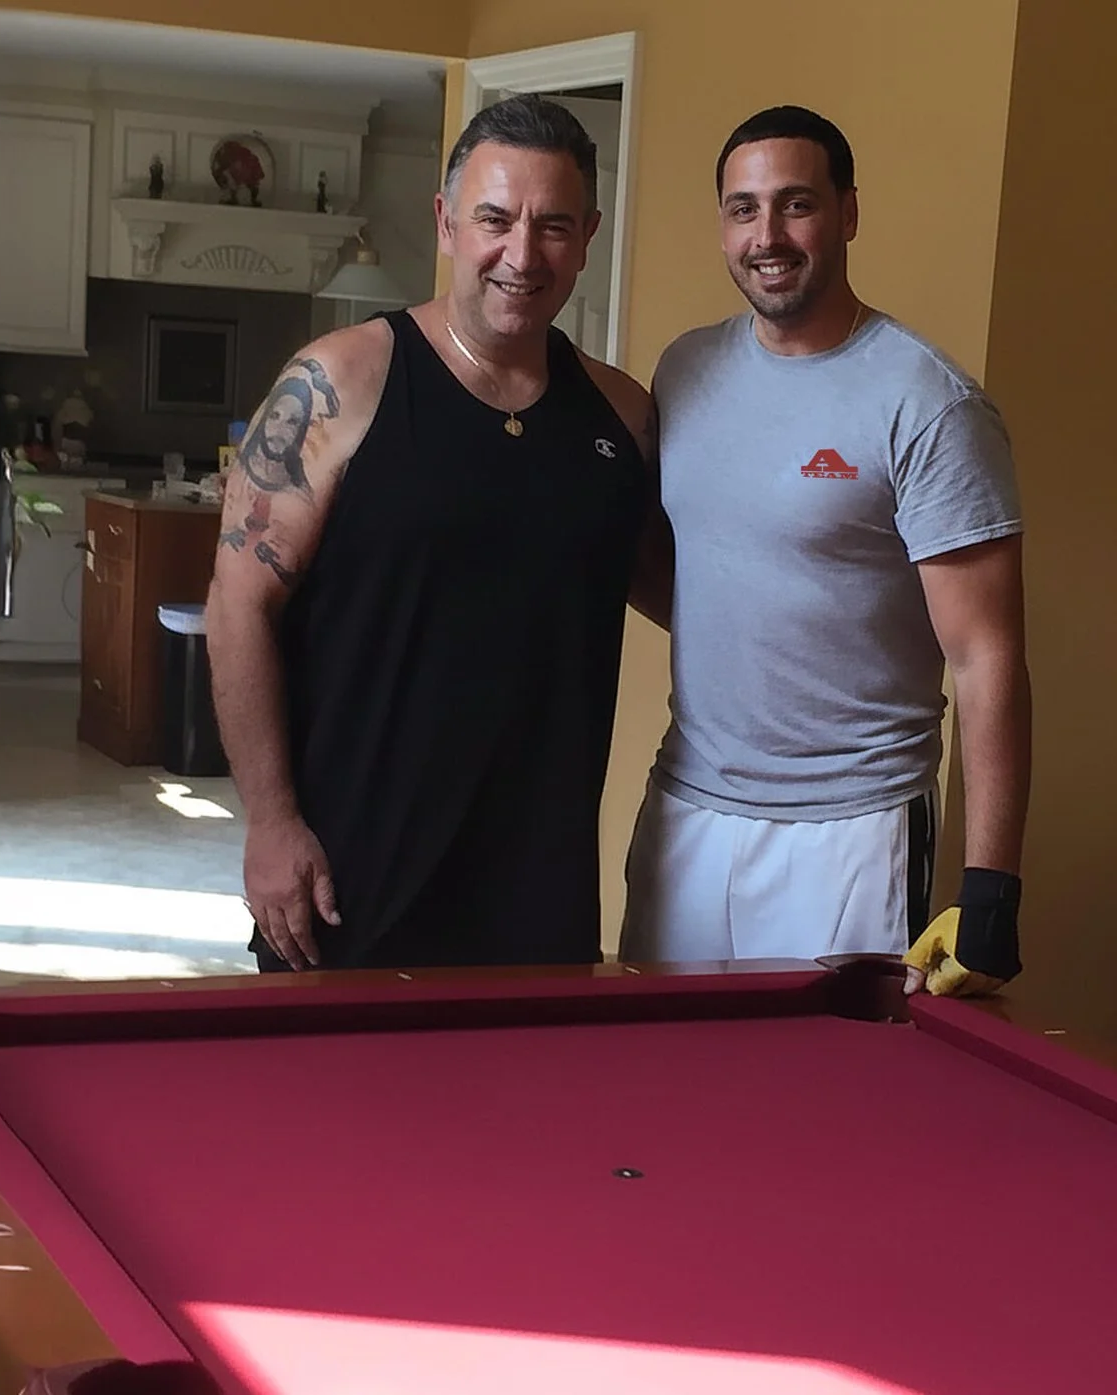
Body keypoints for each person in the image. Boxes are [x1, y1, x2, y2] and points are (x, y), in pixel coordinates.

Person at [204, 95, 659, 974]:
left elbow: (684, 590)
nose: (521, 254)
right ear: (448, 222)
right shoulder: (338, 385)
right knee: (335, 1114)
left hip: (540, 888)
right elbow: (237, 604)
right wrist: (270, 821)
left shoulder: (622, 414)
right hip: (348, 876)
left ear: (590, 235)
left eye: (553, 225)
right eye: (495, 218)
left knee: (527, 1112)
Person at [619, 105, 1033, 997]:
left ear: (848, 212)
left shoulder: (929, 403)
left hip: (854, 830)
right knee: (661, 1085)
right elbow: (690, 569)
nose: (766, 236)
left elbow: (986, 655)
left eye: (795, 204)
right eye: (742, 209)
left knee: (832, 1116)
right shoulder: (685, 370)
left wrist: (992, 890)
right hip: (687, 810)